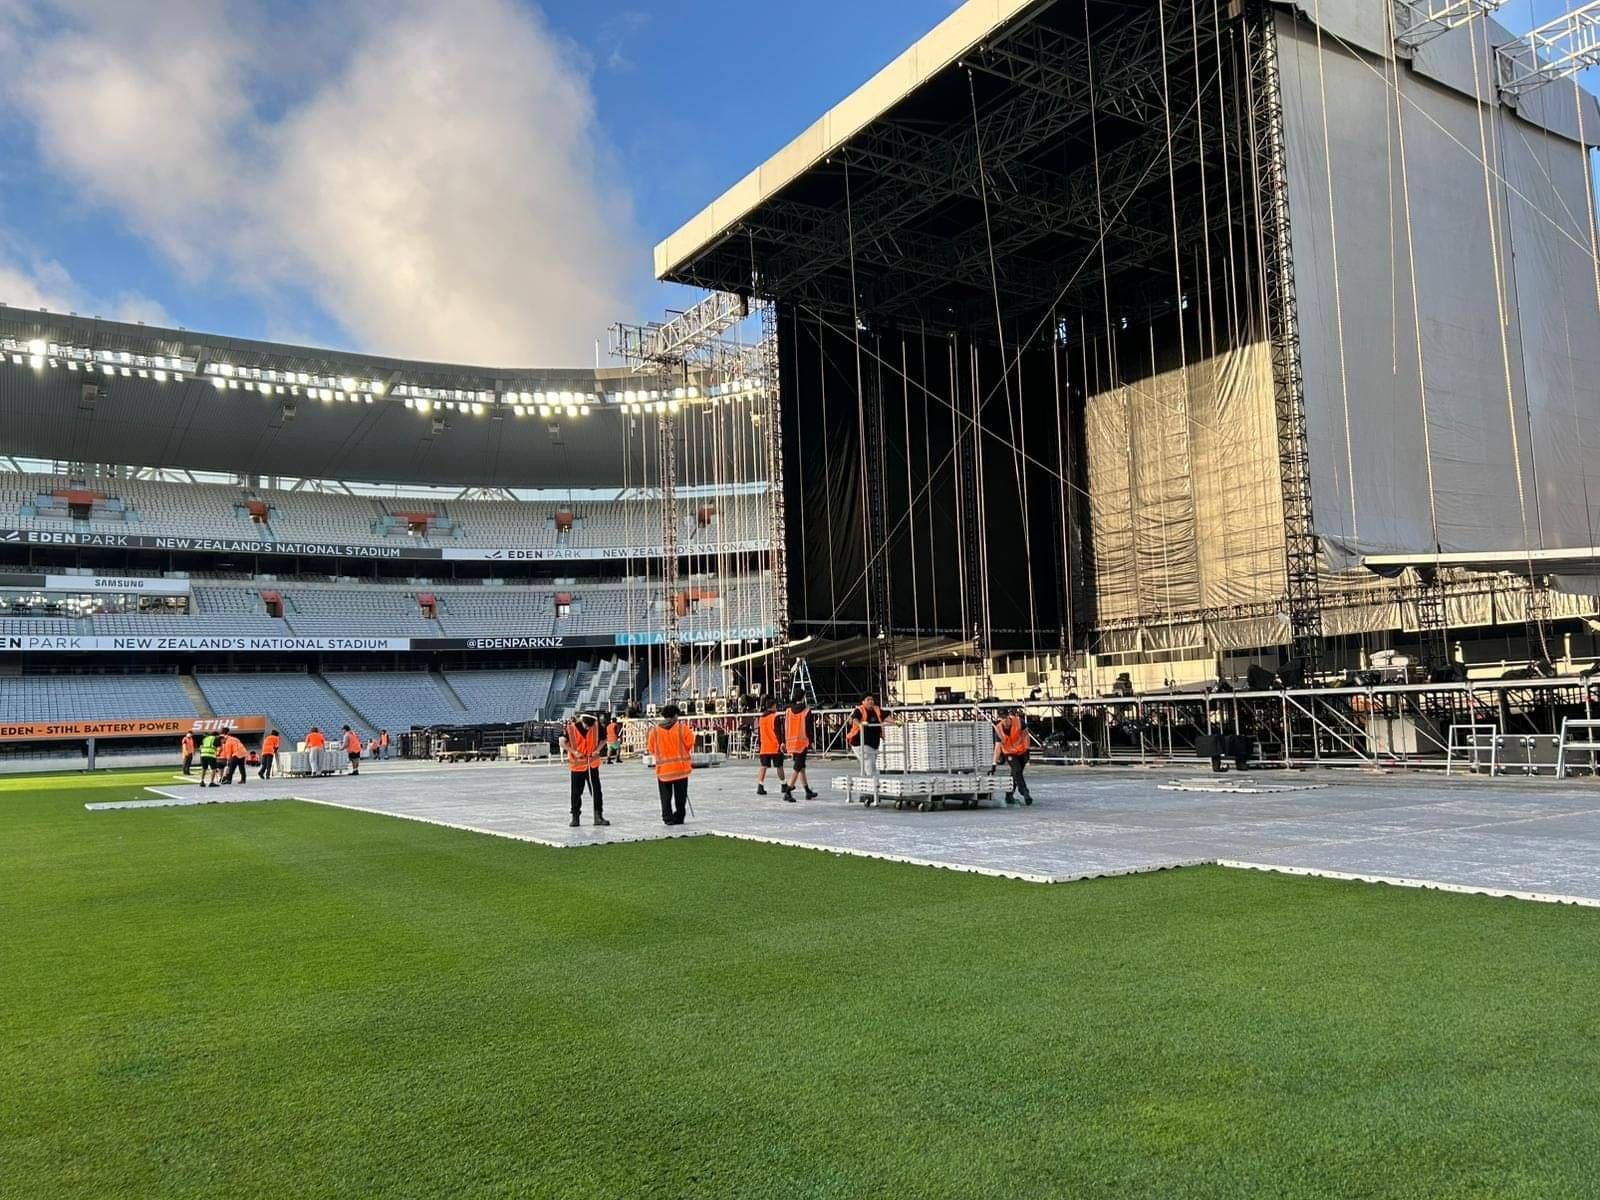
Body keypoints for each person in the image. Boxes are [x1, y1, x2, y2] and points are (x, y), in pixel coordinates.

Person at [647, 704, 696, 826]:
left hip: (664, 771)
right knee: (680, 797)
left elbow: (651, 749)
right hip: (680, 769)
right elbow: (690, 743)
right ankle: (679, 817)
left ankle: (667, 817)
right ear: (675, 716)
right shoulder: (682, 729)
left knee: (665, 797)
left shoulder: (655, 731)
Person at [565, 713, 609, 828]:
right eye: (586, 725)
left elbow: (604, 739)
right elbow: (562, 742)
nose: (588, 728)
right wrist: (574, 752)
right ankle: (575, 817)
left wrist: (598, 750)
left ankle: (598, 816)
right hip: (577, 765)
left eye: (590, 726)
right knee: (576, 793)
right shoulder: (571, 728)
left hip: (592, 765)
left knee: (596, 791)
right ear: (582, 721)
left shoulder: (597, 726)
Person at [846, 694, 887, 804]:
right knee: (869, 766)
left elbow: (886, 717)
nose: (871, 701)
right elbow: (855, 719)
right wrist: (860, 724)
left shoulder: (877, 710)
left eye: (872, 699)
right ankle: (870, 793)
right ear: (863, 702)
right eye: (868, 700)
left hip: (873, 743)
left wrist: (896, 723)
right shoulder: (859, 710)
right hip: (860, 743)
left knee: (871, 767)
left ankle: (866, 793)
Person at [993, 707, 1033, 806]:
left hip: (1022, 751)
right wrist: (994, 763)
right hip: (1009, 753)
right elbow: (997, 747)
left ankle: (1009, 795)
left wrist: (1027, 749)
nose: (1004, 720)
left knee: (1015, 773)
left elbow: (1026, 736)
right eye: (1002, 718)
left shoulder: (1019, 722)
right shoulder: (999, 729)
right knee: (1017, 770)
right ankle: (1024, 792)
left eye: (1005, 717)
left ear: (1008, 716)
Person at [782, 694, 817, 800]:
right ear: (802, 698)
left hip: (791, 743)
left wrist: (783, 741)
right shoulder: (806, 711)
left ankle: (807, 791)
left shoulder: (788, 711)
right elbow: (809, 729)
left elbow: (785, 727)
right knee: (797, 768)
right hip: (802, 743)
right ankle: (788, 791)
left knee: (801, 767)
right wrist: (812, 741)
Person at [755, 698, 787, 798]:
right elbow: (778, 732)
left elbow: (759, 734)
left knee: (763, 766)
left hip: (764, 746)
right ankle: (783, 785)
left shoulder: (761, 718)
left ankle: (760, 786)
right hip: (775, 746)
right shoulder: (775, 717)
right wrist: (782, 743)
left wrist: (760, 746)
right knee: (779, 766)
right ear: (773, 706)